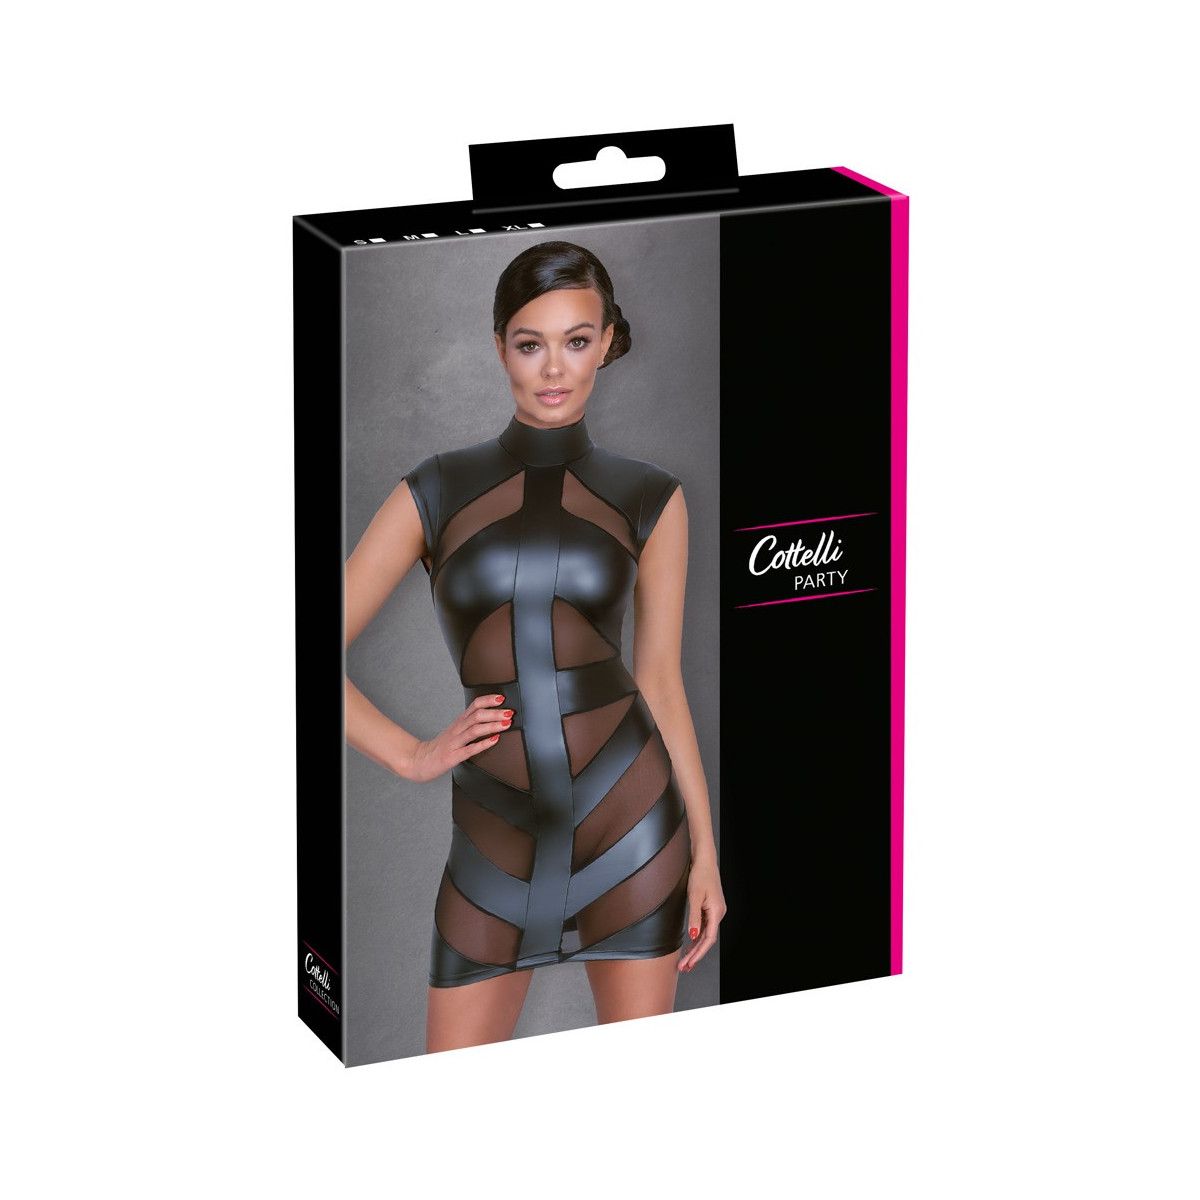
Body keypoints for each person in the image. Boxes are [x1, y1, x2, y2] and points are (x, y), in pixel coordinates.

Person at [344, 240, 725, 1053]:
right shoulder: (434, 490)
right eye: (530, 343)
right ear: (499, 348)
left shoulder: (653, 497)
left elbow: (660, 681)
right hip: (495, 840)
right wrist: (409, 755)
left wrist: (707, 854)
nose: (554, 368)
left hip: (633, 830)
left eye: (577, 340)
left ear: (606, 342)